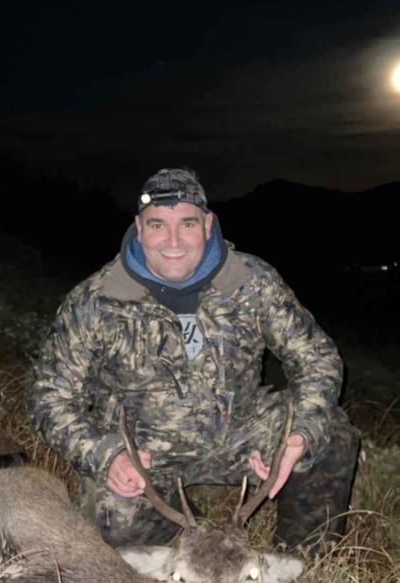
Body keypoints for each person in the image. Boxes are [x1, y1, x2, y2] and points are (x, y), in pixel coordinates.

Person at [29, 167, 359, 550]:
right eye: (157, 225)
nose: (173, 241)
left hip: (241, 435)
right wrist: (107, 455)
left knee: (330, 435)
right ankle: (186, 537)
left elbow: (316, 357)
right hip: (146, 454)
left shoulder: (253, 282)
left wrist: (298, 435)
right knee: (114, 518)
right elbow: (48, 396)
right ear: (139, 228)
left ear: (207, 225)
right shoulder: (96, 300)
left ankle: (300, 562)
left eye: (186, 224)